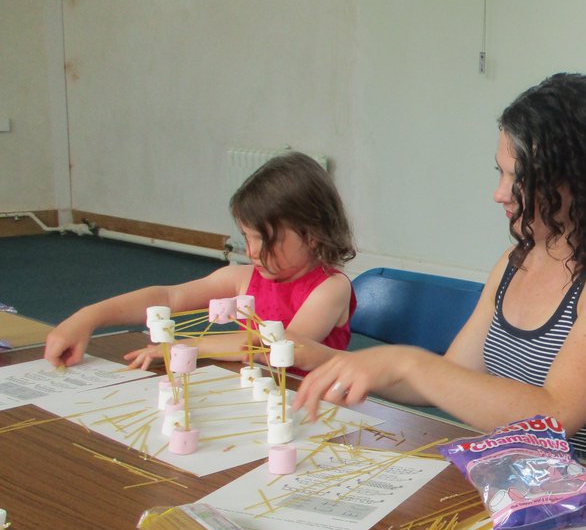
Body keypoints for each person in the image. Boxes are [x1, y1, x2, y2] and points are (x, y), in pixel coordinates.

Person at [294, 72, 586, 471]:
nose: (499, 193)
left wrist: (407, 362)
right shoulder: (513, 263)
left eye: (518, 178)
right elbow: (449, 379)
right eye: (499, 172)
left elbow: (554, 418)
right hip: (504, 481)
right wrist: (327, 361)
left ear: (578, 184)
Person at [44, 152, 356, 372]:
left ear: (312, 235)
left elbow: (281, 344)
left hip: (316, 409)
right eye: (246, 237)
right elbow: (167, 297)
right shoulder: (242, 277)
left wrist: (192, 345)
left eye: (264, 240)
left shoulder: (330, 288)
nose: (250, 251)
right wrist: (87, 317)